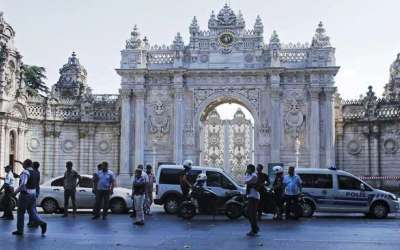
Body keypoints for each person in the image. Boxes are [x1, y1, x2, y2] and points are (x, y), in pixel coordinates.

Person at [12, 159, 47, 236]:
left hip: (25, 195)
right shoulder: (36, 172)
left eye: (23, 163)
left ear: (25, 164)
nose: (22, 165)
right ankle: (42, 223)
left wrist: (15, 193)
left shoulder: (25, 172)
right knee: (32, 212)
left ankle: (20, 230)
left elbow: (23, 184)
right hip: (33, 194)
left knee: (21, 212)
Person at [244, 164, 260, 237]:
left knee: (251, 213)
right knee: (249, 213)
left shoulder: (254, 176)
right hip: (251, 196)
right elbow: (246, 180)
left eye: (248, 168)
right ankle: (255, 228)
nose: (247, 170)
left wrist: (246, 175)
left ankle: (254, 229)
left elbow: (246, 181)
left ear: (251, 169)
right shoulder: (250, 175)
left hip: (254, 197)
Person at [27, 162, 41, 228]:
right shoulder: (37, 172)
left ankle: (35, 221)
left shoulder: (34, 172)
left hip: (33, 191)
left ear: (33, 166)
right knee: (32, 208)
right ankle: (32, 221)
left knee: (32, 208)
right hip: (35, 191)